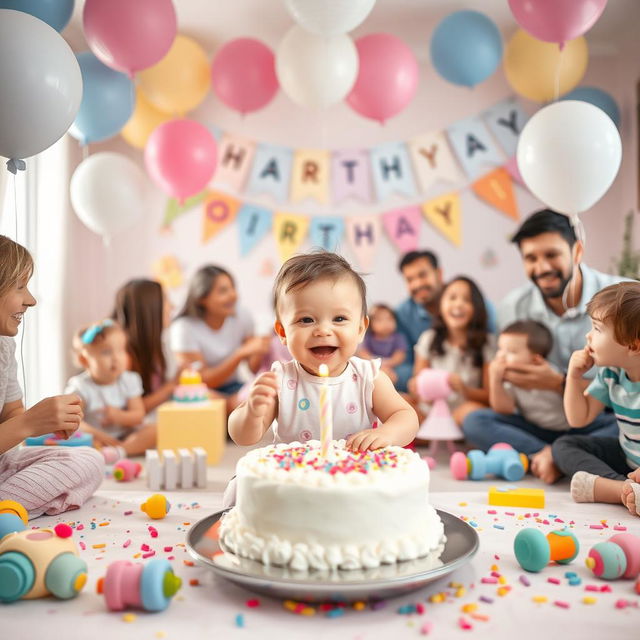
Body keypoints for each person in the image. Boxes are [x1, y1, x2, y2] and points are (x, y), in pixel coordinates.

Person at [462, 209, 623, 483]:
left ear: (577, 252)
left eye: (551, 255)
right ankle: (549, 455)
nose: (542, 268)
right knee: (474, 421)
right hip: (534, 424)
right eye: (531, 258)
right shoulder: (513, 308)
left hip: (597, 421)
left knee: (627, 430)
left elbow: (628, 391)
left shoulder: (622, 301)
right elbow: (504, 397)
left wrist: (559, 383)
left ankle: (555, 456)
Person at [228, 251, 418, 453]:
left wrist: (386, 433)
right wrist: (252, 413)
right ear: (283, 332)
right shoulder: (281, 380)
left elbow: (406, 416)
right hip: (295, 479)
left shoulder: (368, 377)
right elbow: (243, 437)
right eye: (306, 320)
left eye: (339, 319)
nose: (323, 331)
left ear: (360, 329)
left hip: (356, 478)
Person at [0, 235, 103, 518]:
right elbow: (20, 423)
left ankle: (11, 507)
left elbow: (12, 413)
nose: (30, 300)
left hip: (3, 466)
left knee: (91, 459)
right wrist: (29, 423)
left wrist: (43, 421)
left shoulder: (4, 347)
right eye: (20, 287)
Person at [554, 283, 640, 517]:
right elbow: (579, 418)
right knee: (564, 445)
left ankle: (612, 489)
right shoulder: (611, 373)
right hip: (627, 457)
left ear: (632, 345)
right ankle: (624, 489)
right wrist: (573, 376)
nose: (588, 335)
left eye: (597, 329)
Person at [170, 265, 269, 413]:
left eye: (233, 288)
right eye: (223, 291)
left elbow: (253, 369)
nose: (233, 295)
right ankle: (231, 411)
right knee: (214, 403)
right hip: (199, 391)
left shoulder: (242, 315)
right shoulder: (183, 327)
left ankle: (231, 411)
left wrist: (259, 350)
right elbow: (203, 379)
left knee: (258, 397)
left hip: (234, 387)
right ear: (202, 298)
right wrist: (240, 354)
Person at [395, 250, 497, 392]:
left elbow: (493, 356)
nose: (417, 284)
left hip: (471, 380)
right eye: (410, 279)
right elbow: (406, 360)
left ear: (439, 274)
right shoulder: (403, 315)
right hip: (429, 380)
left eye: (422, 275)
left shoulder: (483, 309)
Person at [410, 276, 494, 425]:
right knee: (399, 403)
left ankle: (432, 435)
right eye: (452, 298)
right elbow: (417, 384)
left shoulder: (486, 343)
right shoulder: (429, 338)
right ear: (441, 305)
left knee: (473, 412)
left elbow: (490, 396)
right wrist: (419, 389)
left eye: (467, 300)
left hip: (461, 413)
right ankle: (438, 434)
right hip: (429, 413)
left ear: (477, 308)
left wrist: (464, 389)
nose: (458, 304)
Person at [112, 279, 180, 450]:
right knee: (161, 430)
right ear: (150, 309)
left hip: (144, 420)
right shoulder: (123, 355)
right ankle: (117, 451)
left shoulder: (157, 346)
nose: (172, 306)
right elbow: (131, 411)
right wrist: (172, 385)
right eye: (166, 301)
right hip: (121, 426)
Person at [65, 319, 145, 463]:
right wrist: (98, 435)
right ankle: (115, 451)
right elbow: (74, 421)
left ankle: (121, 450)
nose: (116, 358)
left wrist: (119, 416)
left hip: (125, 436)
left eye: (121, 350)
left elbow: (138, 415)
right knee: (78, 441)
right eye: (107, 352)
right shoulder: (80, 387)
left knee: (155, 430)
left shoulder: (129, 380)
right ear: (85, 360)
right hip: (96, 439)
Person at [489, 320, 569, 434]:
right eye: (500, 349)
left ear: (535, 359)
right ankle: (542, 449)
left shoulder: (550, 373)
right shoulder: (509, 377)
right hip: (533, 428)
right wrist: (495, 380)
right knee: (477, 419)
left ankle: (551, 449)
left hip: (567, 428)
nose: (501, 356)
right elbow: (503, 409)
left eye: (511, 351)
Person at [358, 303, 407, 384]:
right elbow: (363, 353)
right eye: (380, 320)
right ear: (370, 323)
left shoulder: (398, 337)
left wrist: (388, 363)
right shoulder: (368, 337)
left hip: (392, 365)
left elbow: (400, 355)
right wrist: (377, 364)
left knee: (400, 373)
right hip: (373, 364)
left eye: (389, 319)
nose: (386, 323)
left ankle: (391, 392)